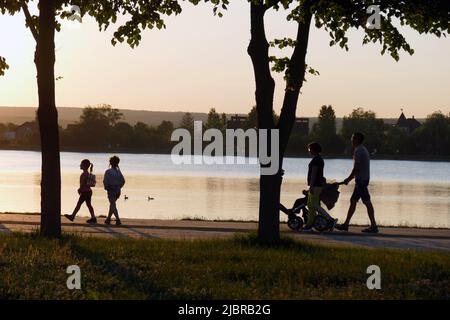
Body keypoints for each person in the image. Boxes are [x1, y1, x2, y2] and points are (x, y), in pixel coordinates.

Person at [336, 132, 379, 233]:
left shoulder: (359, 151)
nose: (351, 140)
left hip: (361, 181)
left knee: (367, 202)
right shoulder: (361, 149)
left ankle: (373, 226)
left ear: (357, 139)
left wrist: (348, 179)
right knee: (353, 201)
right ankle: (346, 225)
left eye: (353, 138)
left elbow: (356, 168)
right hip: (362, 180)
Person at [64, 159, 97, 224]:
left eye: (81, 164)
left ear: (84, 166)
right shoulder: (87, 173)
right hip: (89, 192)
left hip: (85, 192)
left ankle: (72, 216)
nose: (80, 165)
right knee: (88, 205)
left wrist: (79, 189)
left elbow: (82, 183)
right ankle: (93, 218)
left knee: (79, 204)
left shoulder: (84, 174)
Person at [303, 142, 326, 231]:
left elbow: (314, 174)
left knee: (314, 205)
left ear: (313, 149)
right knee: (311, 205)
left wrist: (311, 186)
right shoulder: (319, 159)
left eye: (309, 149)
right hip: (316, 185)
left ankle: (329, 219)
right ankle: (310, 224)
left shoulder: (316, 160)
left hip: (316, 185)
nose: (309, 151)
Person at [103, 156, 125, 226]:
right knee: (112, 204)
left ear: (110, 163)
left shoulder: (108, 171)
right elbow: (123, 181)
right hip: (118, 190)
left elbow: (105, 181)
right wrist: (119, 187)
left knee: (113, 204)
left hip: (111, 190)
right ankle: (108, 219)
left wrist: (106, 187)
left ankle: (118, 219)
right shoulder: (118, 172)